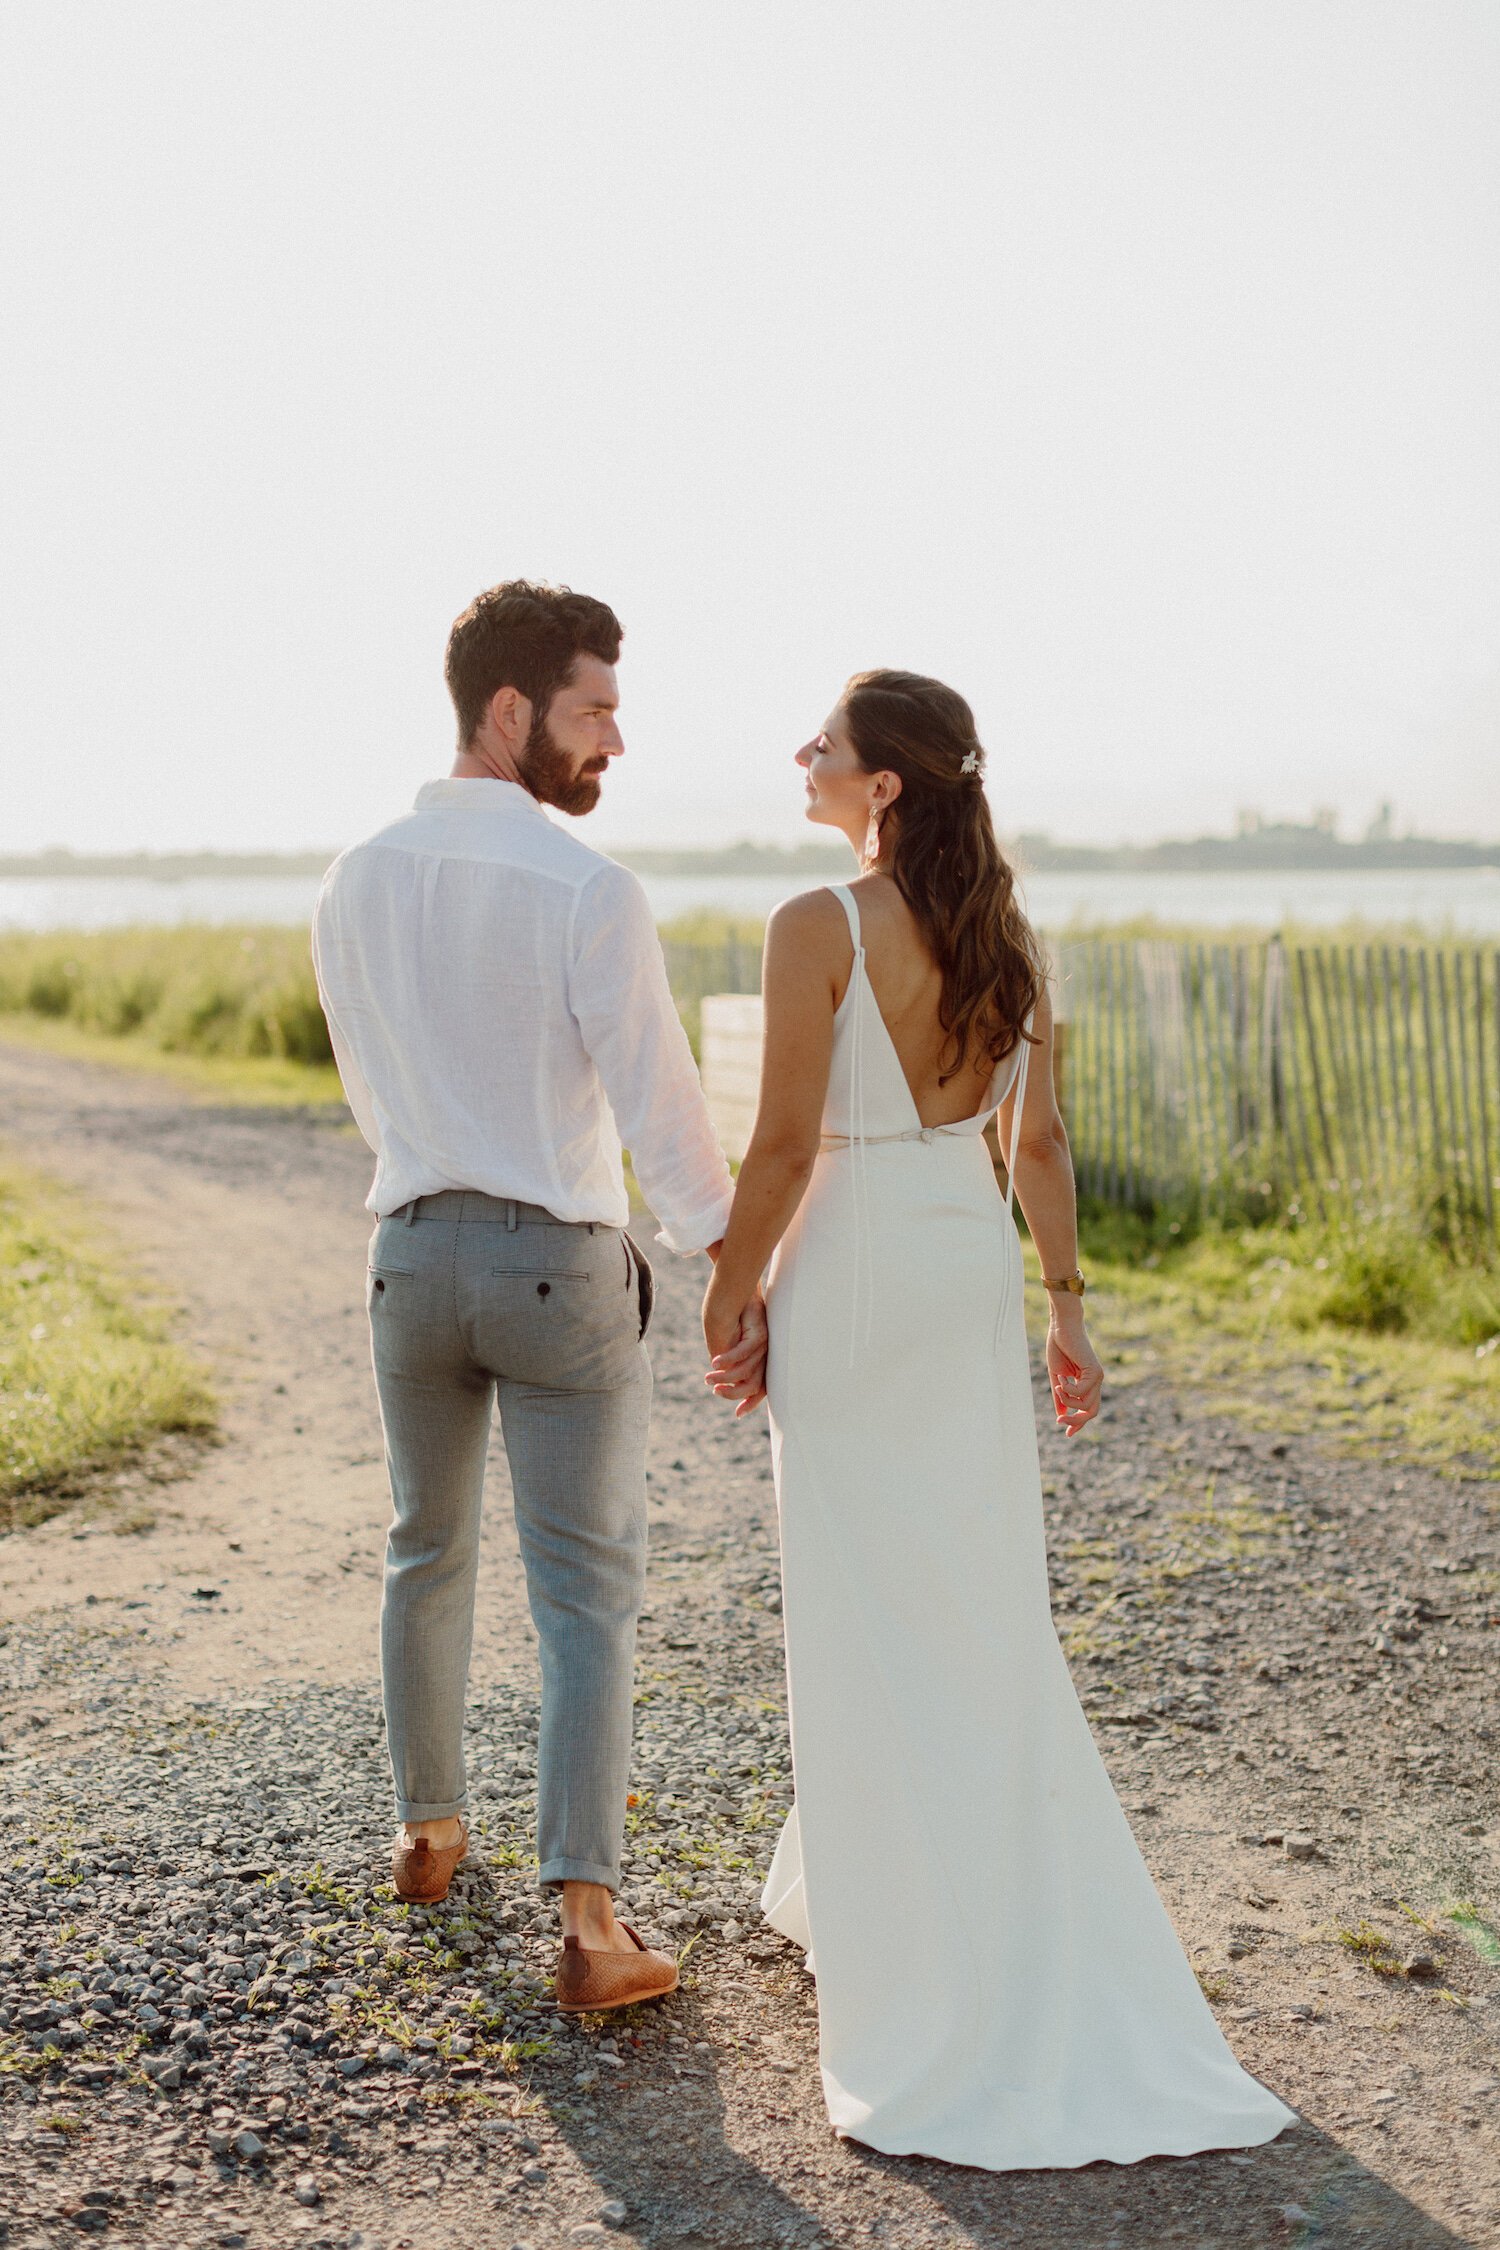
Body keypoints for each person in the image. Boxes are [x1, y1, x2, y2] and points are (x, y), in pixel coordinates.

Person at [703, 670, 1295, 2168]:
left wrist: (728, 1290)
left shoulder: (814, 925)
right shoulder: (1003, 940)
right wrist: (1068, 1308)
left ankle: (913, 1936)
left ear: (885, 785)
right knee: (969, 1602)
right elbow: (1039, 1140)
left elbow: (778, 1143)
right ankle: (906, 1893)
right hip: (959, 1268)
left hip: (849, 1266)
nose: (804, 757)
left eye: (825, 745)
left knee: (858, 1596)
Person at [312, 580, 763, 2015]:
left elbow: (370, 1093)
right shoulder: (588, 890)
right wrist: (733, 1270)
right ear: (510, 711)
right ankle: (588, 1919)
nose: (615, 742)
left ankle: (429, 1827)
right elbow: (662, 1110)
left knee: (419, 1546)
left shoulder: (351, 876)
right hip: (556, 1266)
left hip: (408, 1255)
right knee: (586, 1596)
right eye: (596, 709)